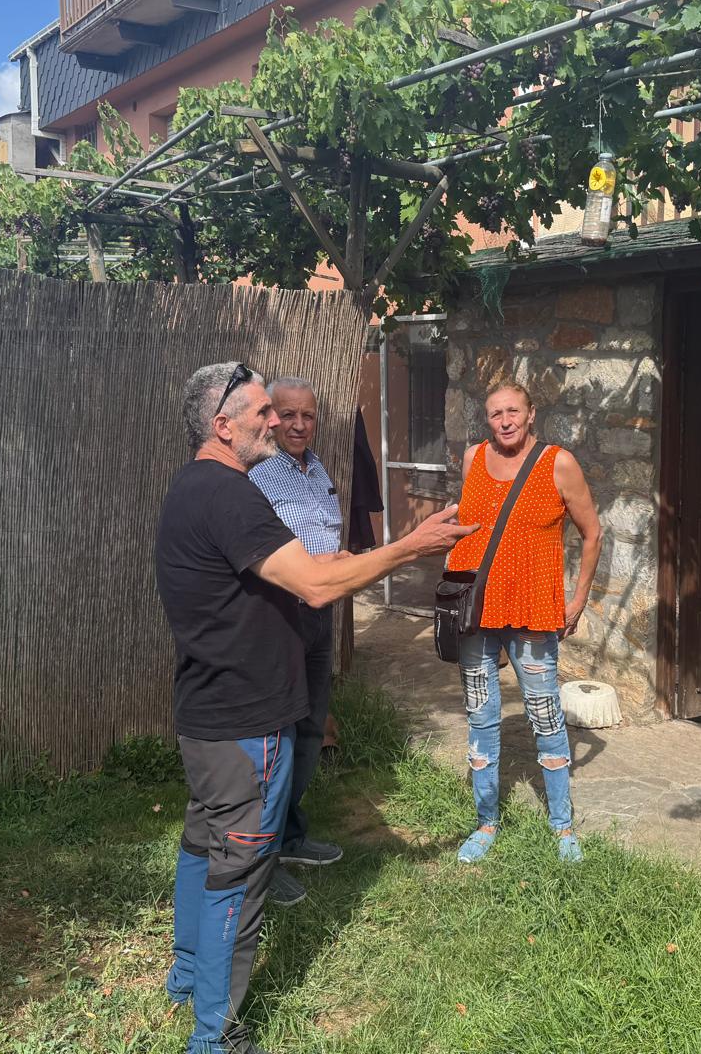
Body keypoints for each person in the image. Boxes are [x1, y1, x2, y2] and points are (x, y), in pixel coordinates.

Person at [154, 361, 474, 1054]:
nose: (276, 421)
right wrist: (411, 546)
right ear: (222, 426)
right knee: (238, 873)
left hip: (207, 712)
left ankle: (186, 976)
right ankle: (214, 1035)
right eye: (262, 412)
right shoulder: (230, 496)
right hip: (245, 721)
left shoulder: (192, 487)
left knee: (203, 847)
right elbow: (319, 585)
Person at [444, 380, 602, 865]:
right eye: (496, 414)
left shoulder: (558, 463)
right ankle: (486, 821)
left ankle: (562, 826)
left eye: (514, 411)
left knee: (546, 716)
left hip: (534, 611)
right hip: (478, 612)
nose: (505, 420)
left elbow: (592, 533)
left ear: (531, 414)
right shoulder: (473, 460)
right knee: (480, 716)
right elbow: (468, 522)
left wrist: (576, 601)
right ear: (486, 420)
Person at [247, 377, 344, 908]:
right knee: (275, 739)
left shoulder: (318, 468)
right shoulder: (257, 476)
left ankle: (288, 836)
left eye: (308, 415)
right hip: (279, 618)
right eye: (289, 415)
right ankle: (260, 862)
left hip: (319, 617)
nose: (300, 425)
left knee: (309, 729)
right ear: (269, 417)